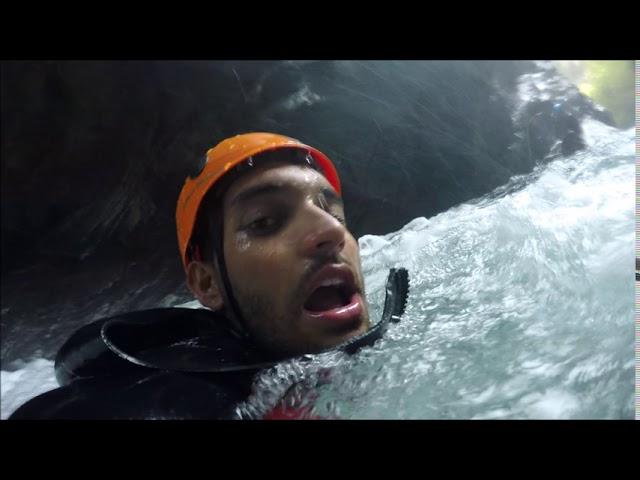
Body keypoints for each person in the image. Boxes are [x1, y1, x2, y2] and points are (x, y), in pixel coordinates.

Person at [9, 132, 408, 420]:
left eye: (334, 213)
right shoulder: (185, 399)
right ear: (207, 284)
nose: (332, 231)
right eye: (265, 221)